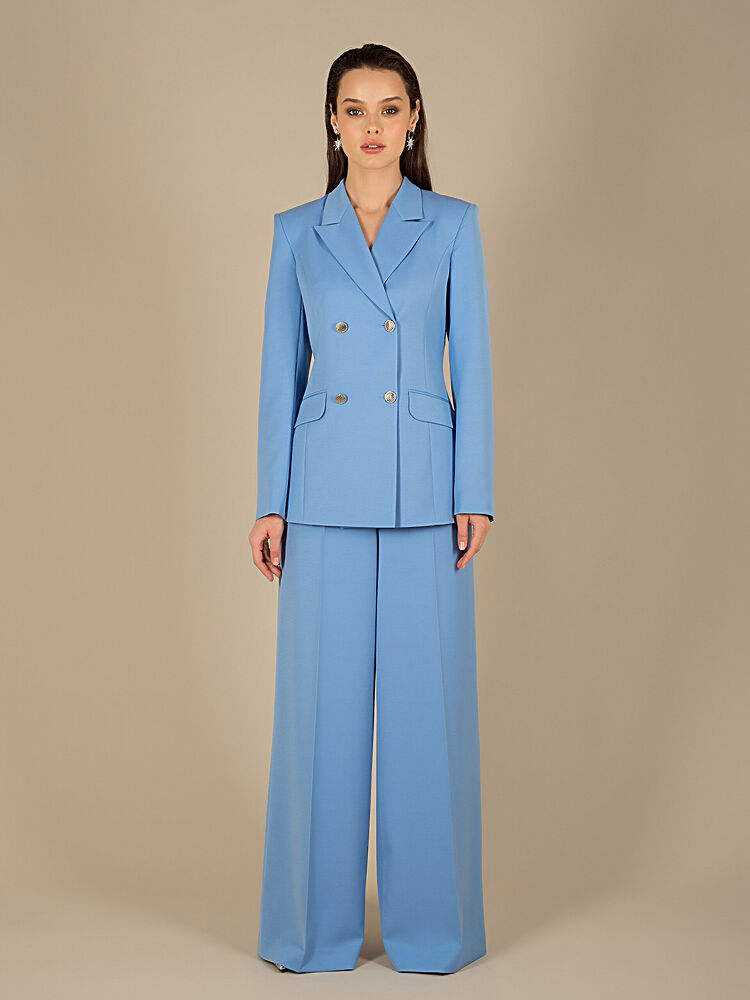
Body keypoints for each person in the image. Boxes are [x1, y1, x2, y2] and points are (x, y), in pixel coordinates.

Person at [248, 42, 494, 975]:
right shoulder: (296, 233)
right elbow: (280, 378)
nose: (373, 126)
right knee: (320, 719)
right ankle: (311, 933)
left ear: (414, 118)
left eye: (390, 108)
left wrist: (476, 492)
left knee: (429, 717)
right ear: (333, 123)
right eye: (355, 109)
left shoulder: (454, 226)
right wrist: (269, 503)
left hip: (427, 489)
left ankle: (435, 933)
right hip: (322, 492)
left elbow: (473, 367)